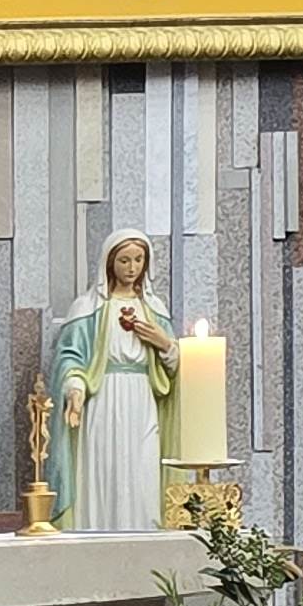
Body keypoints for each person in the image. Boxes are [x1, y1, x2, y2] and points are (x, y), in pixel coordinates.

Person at [48, 227, 176, 532]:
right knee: (103, 470)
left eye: (139, 260)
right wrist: (75, 388)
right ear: (109, 263)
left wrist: (165, 344)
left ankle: (142, 537)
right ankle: (99, 535)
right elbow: (70, 356)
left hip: (142, 400)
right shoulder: (88, 308)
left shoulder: (154, 309)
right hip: (103, 398)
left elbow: (175, 370)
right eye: (124, 260)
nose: (132, 268)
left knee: (142, 471)